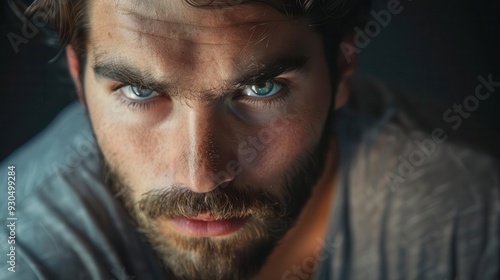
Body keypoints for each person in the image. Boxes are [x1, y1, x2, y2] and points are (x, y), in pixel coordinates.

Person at [0, 0, 498, 279]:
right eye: (139, 90)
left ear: (342, 69)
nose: (201, 176)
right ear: (76, 73)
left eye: (261, 89)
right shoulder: (25, 243)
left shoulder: (469, 206)